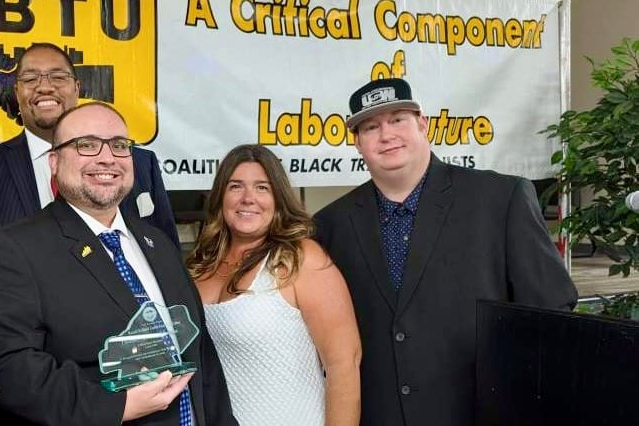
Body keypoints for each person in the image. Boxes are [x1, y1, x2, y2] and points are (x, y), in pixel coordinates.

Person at [313, 78, 578, 426]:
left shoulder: (500, 198)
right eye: (370, 127)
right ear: (358, 143)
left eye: (397, 119)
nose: (386, 135)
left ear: (422, 124)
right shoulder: (330, 224)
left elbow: (551, 314)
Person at [0, 102, 237, 425]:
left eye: (119, 145)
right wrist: (117, 407)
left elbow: (202, 358)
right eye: (87, 144)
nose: (107, 158)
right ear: (54, 162)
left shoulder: (159, 244)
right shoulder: (11, 250)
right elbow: (9, 369)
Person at [0, 42, 179, 247]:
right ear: (17, 92)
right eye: (30, 78)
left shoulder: (139, 164)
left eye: (59, 77)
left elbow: (166, 256)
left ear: (77, 88)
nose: (44, 87)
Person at [186, 144, 361, 426]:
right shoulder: (199, 266)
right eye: (235, 186)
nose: (248, 198)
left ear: (278, 198)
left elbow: (344, 364)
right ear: (220, 196)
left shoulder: (301, 259)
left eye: (262, 188)